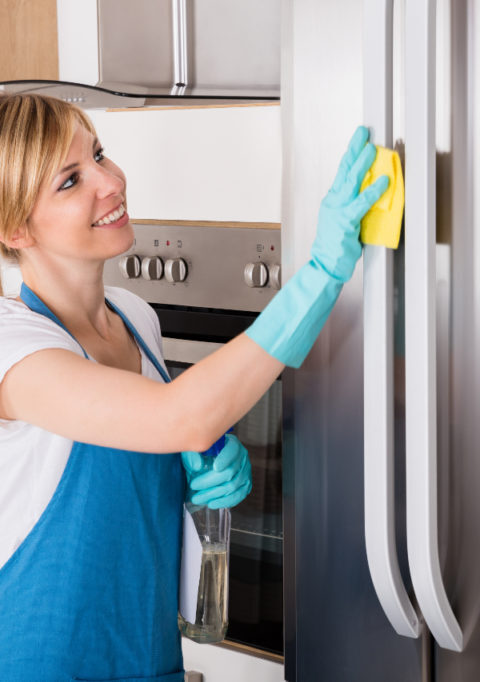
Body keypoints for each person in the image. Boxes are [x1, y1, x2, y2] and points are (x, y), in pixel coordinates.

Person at [0, 94, 388, 681]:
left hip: (151, 661)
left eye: (100, 155)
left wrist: (191, 477)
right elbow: (179, 415)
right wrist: (322, 273)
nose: (111, 182)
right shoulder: (13, 346)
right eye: (71, 179)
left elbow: (145, 453)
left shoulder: (136, 318)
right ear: (14, 227)